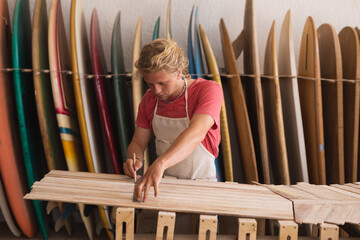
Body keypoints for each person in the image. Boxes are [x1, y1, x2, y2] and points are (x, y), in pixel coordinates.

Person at [123, 38, 223, 202]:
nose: (156, 90)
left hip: (203, 189)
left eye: (162, 83)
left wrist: (160, 163)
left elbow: (196, 133)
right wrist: (134, 160)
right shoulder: (149, 100)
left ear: (178, 71)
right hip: (164, 188)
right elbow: (138, 143)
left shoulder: (208, 90)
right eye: (150, 84)